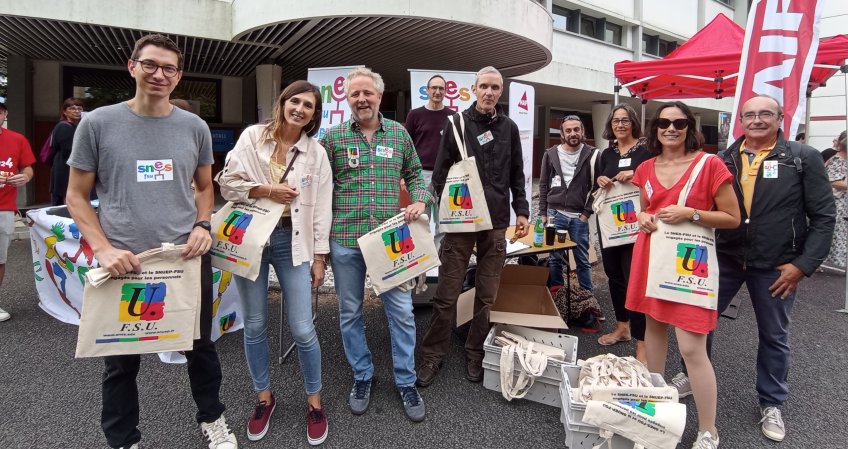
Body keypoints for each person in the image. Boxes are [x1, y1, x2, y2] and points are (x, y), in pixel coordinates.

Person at [65, 34, 238, 449]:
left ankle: (213, 420)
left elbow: (204, 188)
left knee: (200, 347)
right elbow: (75, 195)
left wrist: (202, 225)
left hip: (183, 258)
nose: (159, 74)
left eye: (169, 68)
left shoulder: (194, 127)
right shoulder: (97, 124)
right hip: (125, 262)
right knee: (121, 362)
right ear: (132, 66)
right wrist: (103, 248)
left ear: (179, 77)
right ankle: (124, 439)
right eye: (151, 65)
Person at [671, 95, 835, 444]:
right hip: (724, 258)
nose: (757, 120)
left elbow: (823, 218)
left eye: (765, 114)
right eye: (750, 115)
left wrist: (802, 266)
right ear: (740, 120)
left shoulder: (801, 158)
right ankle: (690, 376)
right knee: (698, 322)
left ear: (780, 118)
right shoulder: (723, 158)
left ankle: (772, 402)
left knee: (775, 336)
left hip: (777, 265)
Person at [216, 80, 332, 445]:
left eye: (308, 105)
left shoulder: (316, 153)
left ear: (314, 115)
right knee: (254, 324)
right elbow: (226, 183)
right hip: (250, 238)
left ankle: (314, 400)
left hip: (290, 240)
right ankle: (264, 397)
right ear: (282, 103)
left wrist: (319, 257)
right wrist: (267, 190)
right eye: (294, 101)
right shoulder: (252, 137)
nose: (299, 109)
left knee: (302, 327)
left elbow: (322, 209)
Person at [319, 67, 434, 422]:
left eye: (367, 93)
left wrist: (419, 200)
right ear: (347, 98)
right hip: (345, 240)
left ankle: (406, 380)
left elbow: (416, 175)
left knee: (401, 312)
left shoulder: (399, 134)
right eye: (355, 94)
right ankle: (362, 375)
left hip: (391, 241)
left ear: (379, 96)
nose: (361, 99)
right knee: (350, 312)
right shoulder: (332, 137)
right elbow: (319, 187)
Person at [626, 101, 741, 449]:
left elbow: (733, 218)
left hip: (690, 264)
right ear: (655, 128)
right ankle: (655, 414)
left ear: (690, 127)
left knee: (692, 349)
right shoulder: (645, 167)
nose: (670, 128)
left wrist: (692, 213)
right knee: (654, 336)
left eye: (678, 122)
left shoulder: (710, 164)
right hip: (652, 259)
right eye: (663, 122)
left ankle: (708, 429)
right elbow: (642, 209)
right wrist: (642, 217)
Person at [417, 66, 530, 387]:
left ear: (500, 91)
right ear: (474, 89)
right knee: (447, 293)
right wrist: (429, 208)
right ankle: (433, 354)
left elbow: (517, 174)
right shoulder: (457, 124)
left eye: (495, 87)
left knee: (487, 296)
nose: (490, 92)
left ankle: (475, 350)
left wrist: (522, 212)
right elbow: (439, 174)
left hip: (495, 222)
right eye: (484, 86)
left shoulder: (509, 127)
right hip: (461, 222)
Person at [594, 104, 651, 361]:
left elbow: (657, 178)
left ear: (633, 123)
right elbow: (599, 181)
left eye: (625, 120)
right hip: (611, 226)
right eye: (616, 121)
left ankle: (643, 341)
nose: (620, 125)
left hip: (636, 225)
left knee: (634, 279)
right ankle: (622, 327)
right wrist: (601, 180)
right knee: (614, 275)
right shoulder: (607, 153)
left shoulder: (647, 150)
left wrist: (636, 174)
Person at [539, 115, 596, 290]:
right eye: (568, 130)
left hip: (579, 216)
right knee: (555, 258)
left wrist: (586, 213)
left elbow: (597, 186)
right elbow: (543, 184)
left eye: (576, 129)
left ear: (582, 131)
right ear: (562, 134)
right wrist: (543, 213)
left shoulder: (592, 154)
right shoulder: (550, 154)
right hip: (554, 214)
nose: (573, 133)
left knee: (582, 260)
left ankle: (588, 301)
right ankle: (558, 296)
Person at [404, 74, 456, 246]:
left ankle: (439, 261)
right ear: (427, 90)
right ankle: (422, 264)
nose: (437, 91)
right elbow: (406, 146)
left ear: (446, 92)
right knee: (420, 220)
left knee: (445, 223)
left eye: (441, 88)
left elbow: (456, 148)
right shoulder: (415, 115)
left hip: (446, 176)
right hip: (421, 176)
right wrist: (403, 176)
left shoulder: (453, 117)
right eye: (434, 88)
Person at [0, 101, 36, 323]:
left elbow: (27, 167)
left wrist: (25, 176)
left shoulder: (17, 139)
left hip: (4, 207)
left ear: (4, 113)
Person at [49, 97, 84, 206]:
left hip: (68, 167)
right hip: (64, 168)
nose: (77, 111)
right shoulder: (64, 127)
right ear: (65, 111)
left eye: (79, 108)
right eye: (72, 108)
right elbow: (68, 150)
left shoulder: (76, 126)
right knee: (65, 199)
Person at [823, 131, 846, 272]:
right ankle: (820, 259)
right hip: (836, 203)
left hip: (842, 203)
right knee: (834, 232)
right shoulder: (836, 160)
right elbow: (834, 181)